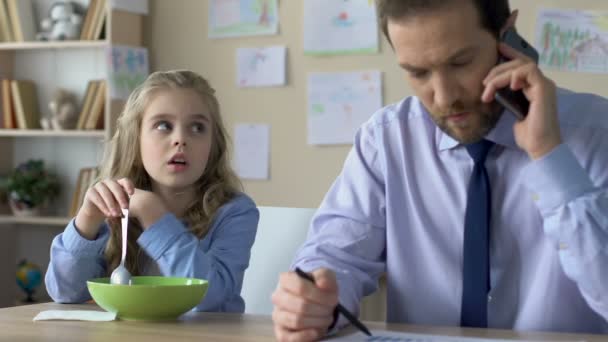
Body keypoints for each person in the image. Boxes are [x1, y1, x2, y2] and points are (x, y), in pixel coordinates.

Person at [271, 0, 608, 340]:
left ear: (508, 37)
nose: (444, 97)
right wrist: (314, 299)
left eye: (460, 62)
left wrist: (548, 154)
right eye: (418, 73)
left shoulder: (598, 132)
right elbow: (333, 254)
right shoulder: (386, 140)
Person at [46, 70, 259, 313]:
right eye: (163, 125)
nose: (180, 139)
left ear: (213, 146)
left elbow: (210, 298)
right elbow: (65, 292)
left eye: (197, 128)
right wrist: (87, 222)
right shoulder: (115, 203)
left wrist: (155, 217)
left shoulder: (235, 211)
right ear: (135, 142)